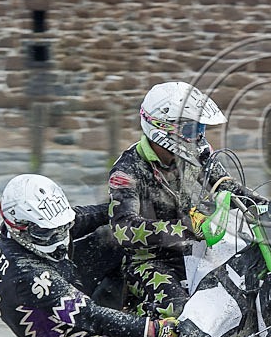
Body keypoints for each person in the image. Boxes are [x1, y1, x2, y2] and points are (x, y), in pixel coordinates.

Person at [0, 174, 178, 337]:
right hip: (55, 323)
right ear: (19, 227)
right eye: (46, 234)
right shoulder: (27, 273)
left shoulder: (37, 221)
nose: (58, 240)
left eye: (62, 228)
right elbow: (90, 315)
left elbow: (87, 217)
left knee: (116, 235)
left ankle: (133, 297)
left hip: (57, 278)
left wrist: (139, 207)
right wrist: (154, 328)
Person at [108, 81, 261, 319]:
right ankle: (138, 329)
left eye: (201, 128)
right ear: (162, 128)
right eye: (191, 130)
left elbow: (222, 182)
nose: (198, 136)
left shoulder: (196, 152)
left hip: (196, 250)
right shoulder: (127, 172)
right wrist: (190, 228)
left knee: (247, 284)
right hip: (149, 262)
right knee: (180, 310)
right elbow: (123, 229)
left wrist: (261, 203)